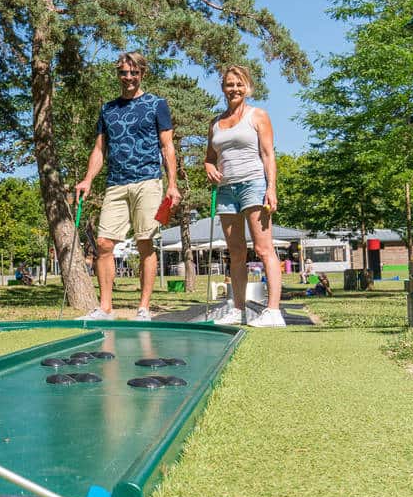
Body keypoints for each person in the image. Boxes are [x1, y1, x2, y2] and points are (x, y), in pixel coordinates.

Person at [74, 52, 181, 321]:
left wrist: (172, 185)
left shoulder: (157, 104)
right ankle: (105, 308)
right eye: (124, 73)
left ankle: (143, 308)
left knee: (145, 243)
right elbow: (99, 150)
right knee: (104, 243)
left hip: (148, 181)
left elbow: (168, 146)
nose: (129, 78)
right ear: (118, 74)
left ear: (142, 73)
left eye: (134, 73)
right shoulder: (108, 109)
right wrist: (88, 179)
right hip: (116, 184)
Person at [204, 65, 285, 328]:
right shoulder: (215, 123)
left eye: (239, 84)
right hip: (226, 189)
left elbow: (268, 154)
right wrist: (209, 167)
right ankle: (239, 309)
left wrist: (271, 187)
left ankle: (273, 311)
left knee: (263, 248)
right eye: (229, 84)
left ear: (247, 87)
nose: (234, 89)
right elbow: (209, 158)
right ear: (223, 88)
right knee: (236, 252)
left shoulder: (258, 115)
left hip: (253, 184)